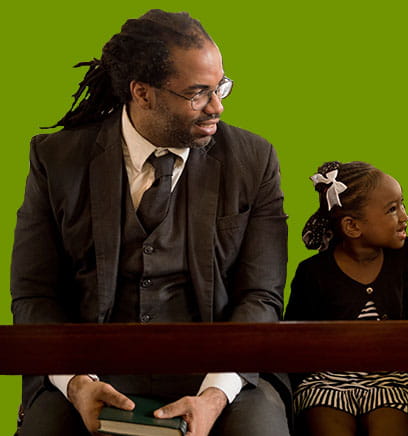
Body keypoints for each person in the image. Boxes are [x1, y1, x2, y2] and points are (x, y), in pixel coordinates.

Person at [10, 9, 290, 436]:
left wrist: (215, 394)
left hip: (224, 375)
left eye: (221, 88)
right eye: (198, 93)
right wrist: (77, 382)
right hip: (88, 373)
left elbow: (262, 296)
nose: (216, 107)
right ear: (142, 93)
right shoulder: (56, 159)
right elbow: (34, 294)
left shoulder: (254, 160)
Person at [284, 161, 408, 436]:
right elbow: (295, 343)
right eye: (392, 209)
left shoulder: (404, 256)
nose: (405, 216)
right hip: (325, 380)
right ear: (352, 226)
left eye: (402, 204)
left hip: (388, 379)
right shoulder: (313, 273)